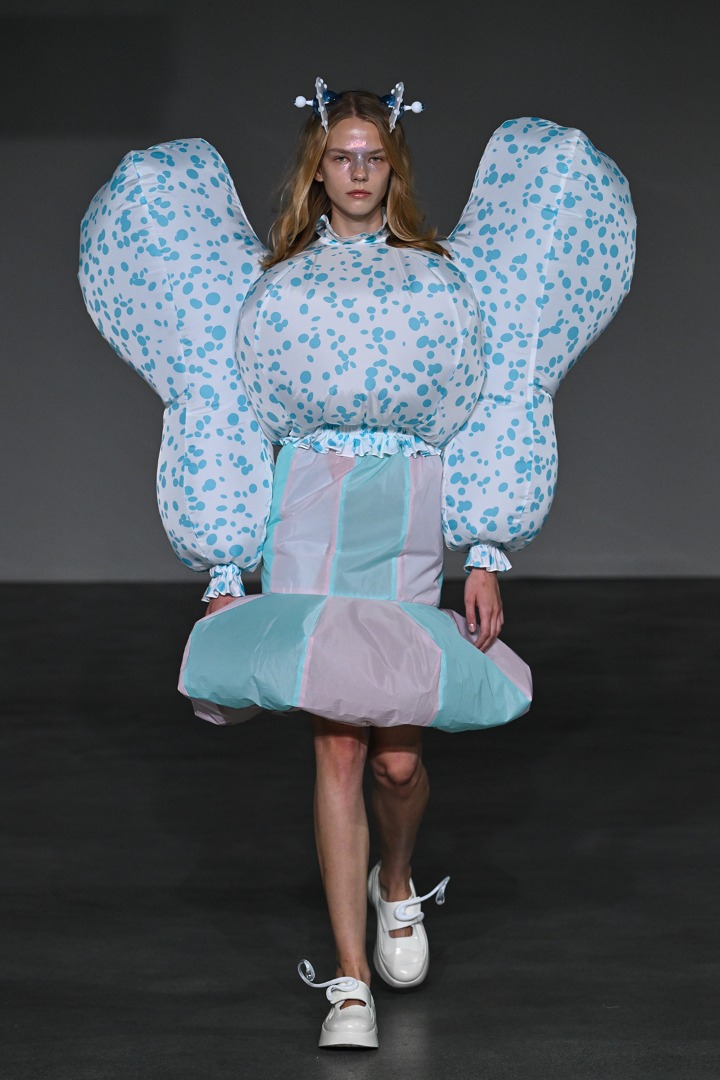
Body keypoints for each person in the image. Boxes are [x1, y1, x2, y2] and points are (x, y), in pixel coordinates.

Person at [204, 85, 503, 1050]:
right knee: (337, 745)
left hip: (405, 507)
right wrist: (224, 565)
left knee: (398, 758)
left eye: (374, 155)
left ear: (393, 166)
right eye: (343, 155)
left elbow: (482, 406)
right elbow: (234, 418)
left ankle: (396, 880)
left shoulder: (439, 280)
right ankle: (348, 983)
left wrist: (485, 550)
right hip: (308, 505)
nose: (359, 171)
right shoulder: (278, 285)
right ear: (319, 168)